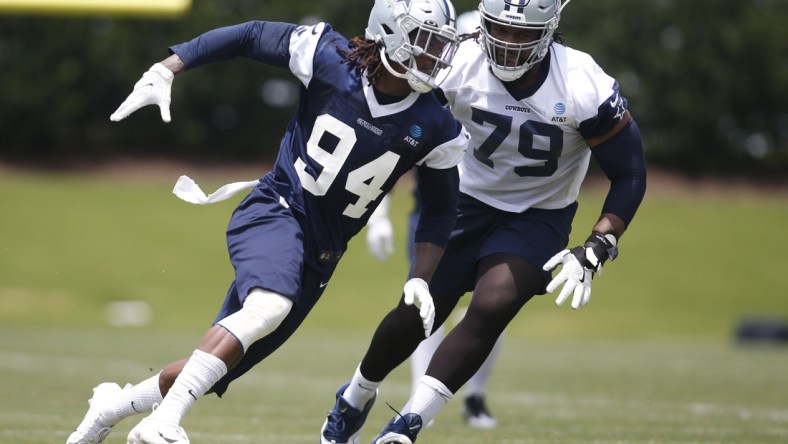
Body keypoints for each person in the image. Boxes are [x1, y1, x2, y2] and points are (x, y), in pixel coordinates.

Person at [66, 0, 470, 443]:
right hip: (277, 209)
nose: (434, 56)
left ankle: (111, 406)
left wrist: (420, 278)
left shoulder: (435, 124)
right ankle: (163, 423)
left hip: (322, 254)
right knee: (269, 307)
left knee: (218, 367)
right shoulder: (327, 57)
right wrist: (169, 66)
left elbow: (438, 209)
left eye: (440, 46)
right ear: (389, 33)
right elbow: (249, 35)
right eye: (425, 42)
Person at [322, 0, 648, 442]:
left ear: (549, 30)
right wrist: (378, 205)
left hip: (539, 214)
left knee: (495, 303)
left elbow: (629, 171)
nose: (510, 45)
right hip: (459, 202)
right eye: (501, 30)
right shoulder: (456, 60)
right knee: (417, 314)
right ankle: (355, 398)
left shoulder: (581, 81)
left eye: (523, 35)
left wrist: (599, 243)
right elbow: (404, 131)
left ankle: (407, 425)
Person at [366, 186, 502, 430]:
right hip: (434, 216)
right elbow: (400, 156)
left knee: (492, 304)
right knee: (425, 305)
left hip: (497, 212)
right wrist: (379, 216)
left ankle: (475, 397)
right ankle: (419, 400)